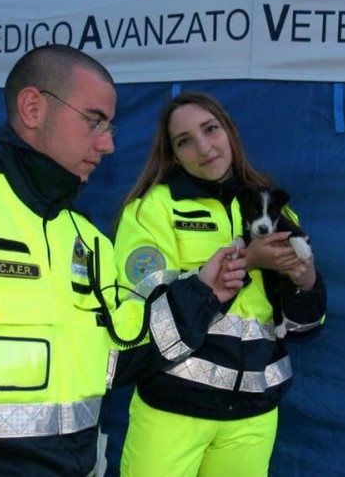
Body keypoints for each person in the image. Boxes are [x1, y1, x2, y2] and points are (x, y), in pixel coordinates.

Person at [0, 46, 246, 476]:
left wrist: (204, 293)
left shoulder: (84, 237)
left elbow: (117, 354)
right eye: (94, 121)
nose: (108, 144)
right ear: (33, 108)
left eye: (110, 127)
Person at [108, 91, 327, 477]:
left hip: (253, 416)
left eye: (211, 129)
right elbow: (143, 315)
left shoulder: (274, 208)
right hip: (173, 408)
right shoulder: (152, 208)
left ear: (229, 131)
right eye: (185, 141)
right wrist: (247, 263)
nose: (204, 147)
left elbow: (302, 328)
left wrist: (305, 282)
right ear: (173, 154)